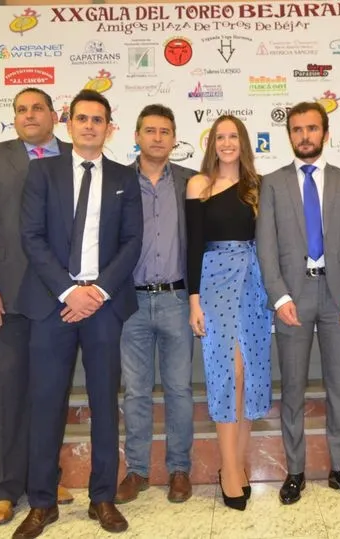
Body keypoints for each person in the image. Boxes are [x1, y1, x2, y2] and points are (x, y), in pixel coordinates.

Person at [13, 89, 142, 537]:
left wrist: (98, 291)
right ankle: (42, 502)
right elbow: (31, 237)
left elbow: (132, 244)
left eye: (98, 119)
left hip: (105, 307)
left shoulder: (126, 177)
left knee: (105, 403)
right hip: (52, 305)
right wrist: (69, 291)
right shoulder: (42, 172)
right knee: (46, 403)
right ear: (69, 124)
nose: (90, 126)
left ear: (110, 128)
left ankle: (102, 498)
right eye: (83, 118)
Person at [0, 87, 74, 526]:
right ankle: (4, 488)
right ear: (14, 118)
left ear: (53, 115)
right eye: (21, 109)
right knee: (7, 391)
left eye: (37, 108)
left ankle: (44, 478)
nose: (29, 115)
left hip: (62, 299)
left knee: (52, 392)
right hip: (6, 298)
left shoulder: (73, 156)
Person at [256, 101, 340, 505]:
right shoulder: (272, 183)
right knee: (293, 388)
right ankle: (295, 471)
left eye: (312, 128)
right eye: (297, 129)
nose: (305, 136)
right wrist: (279, 296)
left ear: (325, 133)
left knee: (339, 385)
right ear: (289, 135)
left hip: (338, 297)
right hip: (292, 297)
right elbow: (266, 249)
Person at [185, 115, 273, 511]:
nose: (226, 143)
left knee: (250, 373)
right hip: (214, 279)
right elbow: (191, 247)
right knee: (229, 372)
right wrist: (194, 300)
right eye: (219, 137)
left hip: (253, 282)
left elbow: (270, 241)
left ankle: (234, 466)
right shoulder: (198, 185)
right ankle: (229, 469)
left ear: (243, 142)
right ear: (211, 143)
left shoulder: (259, 186)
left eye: (232, 136)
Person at [116, 105, 197, 505]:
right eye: (150, 130)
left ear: (174, 138)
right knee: (136, 391)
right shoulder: (117, 181)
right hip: (130, 301)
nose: (158, 137)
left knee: (180, 389)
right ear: (137, 135)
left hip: (178, 300)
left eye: (166, 131)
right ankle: (137, 471)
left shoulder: (190, 182)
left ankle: (179, 469)